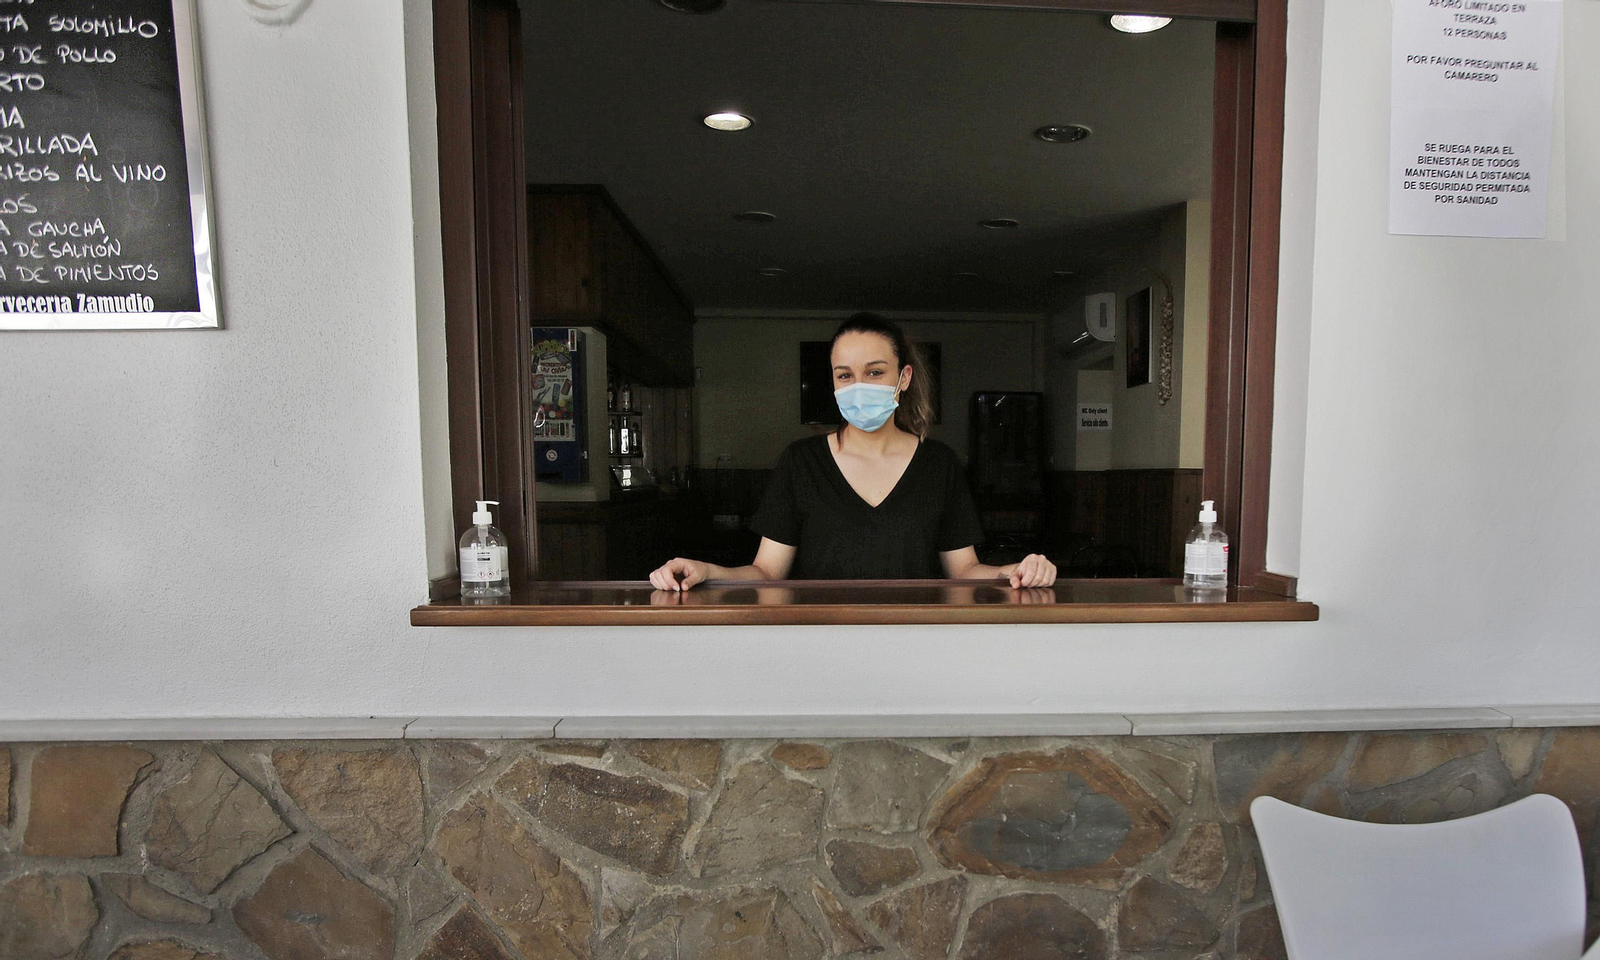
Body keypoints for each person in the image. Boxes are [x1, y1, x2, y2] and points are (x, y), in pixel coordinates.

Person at [649, 314, 1056, 591]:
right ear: (833, 382)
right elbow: (766, 572)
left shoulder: (938, 464)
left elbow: (964, 570)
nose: (859, 385)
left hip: (917, 644)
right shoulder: (801, 462)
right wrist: (706, 570)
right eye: (845, 375)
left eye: (875, 372)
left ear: (904, 377)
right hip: (821, 646)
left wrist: (1012, 570)